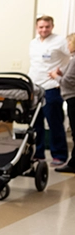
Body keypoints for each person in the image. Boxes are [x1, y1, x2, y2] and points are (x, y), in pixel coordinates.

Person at [28, 15, 70, 167]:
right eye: (41, 27)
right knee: (35, 123)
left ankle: (59, 155)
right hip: (35, 87)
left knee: (55, 123)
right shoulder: (33, 43)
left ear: (52, 26)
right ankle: (38, 154)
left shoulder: (60, 41)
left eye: (47, 26)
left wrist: (63, 72)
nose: (44, 29)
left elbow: (71, 56)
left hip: (52, 87)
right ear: (36, 27)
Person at [52, 33, 75, 173]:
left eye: (69, 43)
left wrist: (56, 77)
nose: (67, 46)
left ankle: (73, 164)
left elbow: (68, 82)